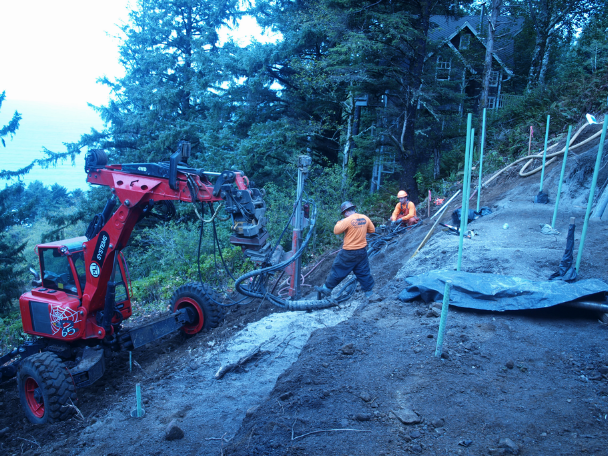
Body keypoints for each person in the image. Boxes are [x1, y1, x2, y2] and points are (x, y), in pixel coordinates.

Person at [315, 201, 376, 299]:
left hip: (349, 252)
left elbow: (336, 231)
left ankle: (327, 288)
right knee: (363, 272)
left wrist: (341, 221)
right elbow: (372, 230)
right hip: (362, 251)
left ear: (346, 212)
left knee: (338, 269)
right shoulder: (365, 218)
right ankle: (369, 294)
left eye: (344, 213)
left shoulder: (347, 220)